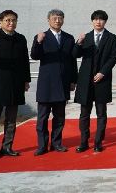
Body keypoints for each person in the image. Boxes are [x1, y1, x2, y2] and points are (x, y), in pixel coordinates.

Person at [31, 9, 77, 156]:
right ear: (48, 20)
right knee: (42, 117)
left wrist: (73, 80)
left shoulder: (69, 38)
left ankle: (56, 143)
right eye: (55, 18)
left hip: (62, 82)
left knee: (59, 116)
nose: (57, 20)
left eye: (60, 18)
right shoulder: (42, 37)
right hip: (46, 83)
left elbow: (72, 61)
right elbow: (35, 55)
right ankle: (42, 145)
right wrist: (38, 42)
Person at [0, 10, 31, 160]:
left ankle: (7, 147)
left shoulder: (20, 39)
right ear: (0, 22)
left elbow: (25, 61)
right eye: (7, 20)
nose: (11, 23)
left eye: (13, 20)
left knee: (11, 119)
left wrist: (26, 80)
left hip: (16, 83)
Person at [73, 10, 116, 153]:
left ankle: (98, 141)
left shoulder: (112, 38)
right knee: (84, 113)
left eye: (101, 19)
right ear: (92, 21)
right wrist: (79, 43)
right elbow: (75, 54)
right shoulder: (85, 37)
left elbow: (113, 57)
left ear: (105, 21)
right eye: (96, 19)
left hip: (102, 80)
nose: (98, 22)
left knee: (101, 112)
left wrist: (102, 72)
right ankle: (84, 141)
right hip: (85, 80)